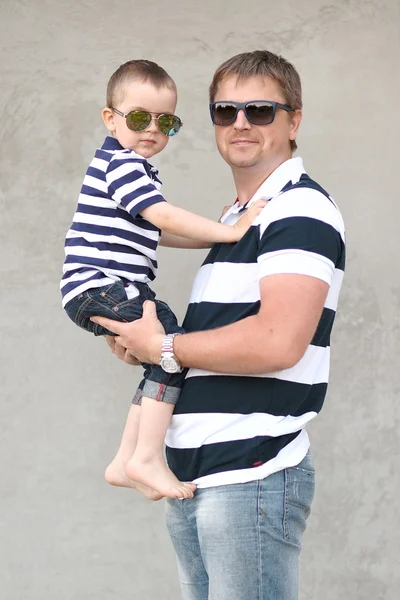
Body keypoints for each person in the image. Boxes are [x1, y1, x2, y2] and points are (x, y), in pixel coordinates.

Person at [92, 50, 346, 600]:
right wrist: (145, 348)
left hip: (249, 474)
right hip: (198, 478)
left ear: (294, 120)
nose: (240, 123)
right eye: (224, 110)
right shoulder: (234, 221)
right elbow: (204, 348)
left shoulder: (298, 210)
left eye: (259, 109)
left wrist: (163, 344)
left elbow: (278, 343)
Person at [61, 59, 266, 501]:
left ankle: (125, 459)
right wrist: (233, 230)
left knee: (163, 352)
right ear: (110, 119)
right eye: (139, 118)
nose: (152, 129)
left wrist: (214, 241)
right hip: (102, 283)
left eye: (166, 121)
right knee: (171, 348)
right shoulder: (124, 165)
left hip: (100, 288)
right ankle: (146, 457)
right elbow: (163, 214)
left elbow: (157, 229)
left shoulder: (127, 166)